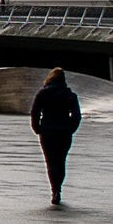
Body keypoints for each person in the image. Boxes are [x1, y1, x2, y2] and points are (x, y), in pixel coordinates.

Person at [30, 67, 82, 206]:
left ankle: (55, 190)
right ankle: (59, 188)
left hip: (47, 131)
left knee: (51, 162)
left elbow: (35, 112)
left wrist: (37, 128)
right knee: (61, 161)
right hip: (64, 132)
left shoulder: (42, 93)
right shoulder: (70, 95)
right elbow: (77, 116)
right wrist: (70, 129)